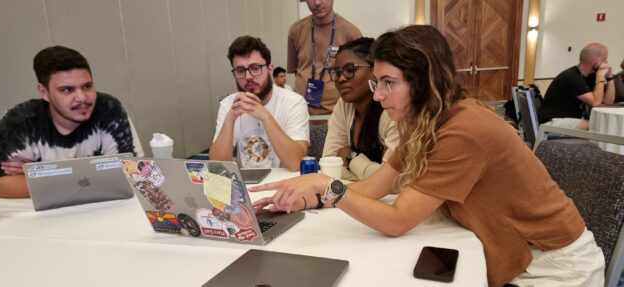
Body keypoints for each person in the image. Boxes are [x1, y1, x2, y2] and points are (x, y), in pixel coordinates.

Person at [251, 25, 604, 287]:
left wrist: (328, 186)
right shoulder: (426, 121)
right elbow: (374, 188)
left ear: (423, 81)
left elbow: (396, 221)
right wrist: (311, 191)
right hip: (518, 250)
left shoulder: (463, 130)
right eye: (377, 82)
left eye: (388, 82)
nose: (378, 96)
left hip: (554, 266)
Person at [0, 45, 144, 198]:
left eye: (87, 86)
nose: (82, 98)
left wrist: (40, 174)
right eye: (67, 90)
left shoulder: (108, 109)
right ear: (44, 92)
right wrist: (89, 176)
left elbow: (131, 174)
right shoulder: (19, 121)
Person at [209, 36, 309, 171]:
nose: (248, 76)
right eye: (240, 71)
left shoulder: (294, 102)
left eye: (255, 68)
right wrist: (230, 118)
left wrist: (265, 116)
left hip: (285, 186)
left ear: (269, 69)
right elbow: (218, 167)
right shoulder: (228, 105)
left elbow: (296, 163)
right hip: (248, 187)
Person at [323, 37, 398, 180]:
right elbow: (329, 165)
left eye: (350, 70)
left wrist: (352, 158)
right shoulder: (343, 105)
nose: (341, 79)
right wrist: (374, 171)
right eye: (337, 72)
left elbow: (393, 180)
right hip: (359, 193)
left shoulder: (392, 107)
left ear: (375, 70)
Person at [287, 0, 362, 115]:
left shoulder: (351, 33)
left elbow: (359, 77)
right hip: (301, 113)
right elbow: (295, 70)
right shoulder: (296, 30)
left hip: (338, 114)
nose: (317, 3)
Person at [537, 42, 615, 130]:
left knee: (604, 125)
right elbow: (595, 103)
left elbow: (608, 103)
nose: (606, 62)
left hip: (570, 119)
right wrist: (600, 77)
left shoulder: (590, 76)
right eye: (604, 59)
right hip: (552, 121)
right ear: (593, 60)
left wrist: (610, 79)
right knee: (598, 126)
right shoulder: (572, 76)